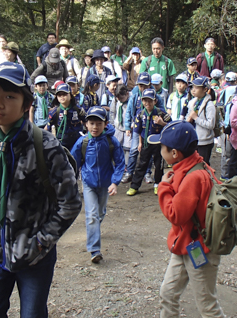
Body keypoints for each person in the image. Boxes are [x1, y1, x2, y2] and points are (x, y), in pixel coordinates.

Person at [0, 62, 81, 318]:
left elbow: (70, 202)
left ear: (26, 103)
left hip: (35, 256)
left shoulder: (45, 146)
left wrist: (41, 242)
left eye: (9, 97)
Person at [136, 121, 237, 318]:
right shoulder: (196, 164)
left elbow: (176, 214)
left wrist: (164, 185)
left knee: (206, 301)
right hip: (185, 245)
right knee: (168, 293)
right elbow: (220, 191)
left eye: (162, 148)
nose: (160, 151)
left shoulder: (191, 176)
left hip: (200, 249)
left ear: (174, 153)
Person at [70, 107, 124, 263]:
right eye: (91, 123)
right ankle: (95, 250)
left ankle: (94, 230)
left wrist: (115, 182)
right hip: (88, 183)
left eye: (98, 123)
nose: (95, 127)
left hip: (106, 184)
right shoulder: (82, 142)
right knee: (92, 215)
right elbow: (73, 162)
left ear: (105, 124)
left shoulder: (111, 142)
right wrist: (70, 180)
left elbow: (120, 162)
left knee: (100, 213)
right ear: (86, 124)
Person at [121, 73, 166, 184]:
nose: (142, 88)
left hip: (152, 127)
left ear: (149, 84)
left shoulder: (156, 97)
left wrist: (157, 120)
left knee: (149, 150)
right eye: (140, 85)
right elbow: (129, 111)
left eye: (145, 85)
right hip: (138, 125)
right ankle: (129, 173)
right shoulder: (135, 95)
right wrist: (128, 126)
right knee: (134, 149)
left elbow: (161, 111)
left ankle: (147, 173)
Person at [126, 89, 171, 196]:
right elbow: (139, 130)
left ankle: (157, 184)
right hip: (146, 143)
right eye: (145, 100)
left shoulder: (161, 113)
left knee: (158, 164)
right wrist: (140, 143)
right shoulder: (140, 114)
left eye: (150, 100)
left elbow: (170, 126)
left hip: (158, 144)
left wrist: (162, 123)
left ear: (155, 101)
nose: (147, 103)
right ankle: (134, 186)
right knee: (141, 164)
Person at [185, 76, 216, 165]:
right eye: (193, 87)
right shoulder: (192, 102)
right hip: (192, 139)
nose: (193, 90)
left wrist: (196, 118)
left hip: (204, 141)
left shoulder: (209, 105)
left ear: (205, 89)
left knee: (203, 165)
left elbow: (211, 125)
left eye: (197, 87)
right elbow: (188, 115)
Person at [48, 83, 87, 150]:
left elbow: (86, 122)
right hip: (61, 141)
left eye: (65, 94)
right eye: (59, 95)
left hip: (76, 140)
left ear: (71, 96)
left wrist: (88, 135)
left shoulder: (78, 110)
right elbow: (48, 127)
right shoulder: (54, 112)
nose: (62, 97)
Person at [217, 72, 237, 179]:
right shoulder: (236, 90)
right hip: (233, 126)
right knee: (230, 153)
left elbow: (219, 107)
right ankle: (228, 175)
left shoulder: (223, 91)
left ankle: (225, 175)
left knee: (226, 153)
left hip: (226, 125)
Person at [110, 85, 131, 165]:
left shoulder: (131, 101)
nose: (120, 100)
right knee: (117, 147)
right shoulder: (116, 100)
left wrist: (130, 125)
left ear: (127, 94)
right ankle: (117, 164)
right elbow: (112, 112)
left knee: (127, 149)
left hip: (128, 129)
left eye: (122, 98)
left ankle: (126, 166)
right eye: (118, 98)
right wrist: (112, 124)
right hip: (118, 127)